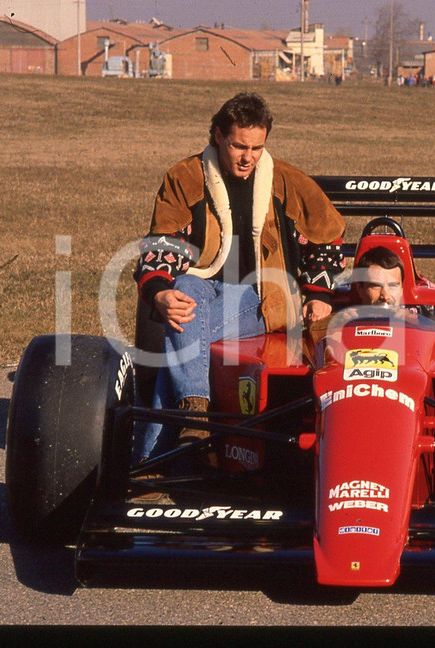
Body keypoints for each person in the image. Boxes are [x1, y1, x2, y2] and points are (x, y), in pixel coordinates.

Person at [133, 91, 345, 464]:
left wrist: (320, 293)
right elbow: (163, 243)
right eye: (238, 146)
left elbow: (327, 238)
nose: (248, 156)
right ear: (217, 135)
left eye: (257, 147)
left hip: (264, 296)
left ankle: (155, 458)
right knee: (183, 295)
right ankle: (192, 415)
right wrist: (159, 292)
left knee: (183, 329)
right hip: (200, 285)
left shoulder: (289, 182)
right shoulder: (184, 177)